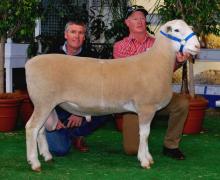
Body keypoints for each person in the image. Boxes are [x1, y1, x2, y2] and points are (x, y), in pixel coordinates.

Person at [113, 5, 190, 160]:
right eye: (135, 18)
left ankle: (171, 145)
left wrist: (179, 62)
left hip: (157, 97)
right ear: (127, 22)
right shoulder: (120, 47)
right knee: (131, 149)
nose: (140, 21)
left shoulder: (160, 43)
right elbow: (125, 76)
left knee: (182, 103)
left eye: (142, 18)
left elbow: (164, 71)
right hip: (132, 102)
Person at [45, 19, 110, 156]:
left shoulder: (91, 57)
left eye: (81, 33)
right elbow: (44, 90)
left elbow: (96, 88)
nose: (77, 36)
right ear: (66, 35)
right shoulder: (51, 55)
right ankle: (57, 130)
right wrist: (52, 118)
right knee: (60, 150)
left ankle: (77, 134)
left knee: (106, 110)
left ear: (84, 37)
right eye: (73, 32)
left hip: (80, 108)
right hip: (56, 109)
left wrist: (80, 112)